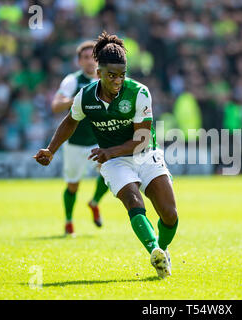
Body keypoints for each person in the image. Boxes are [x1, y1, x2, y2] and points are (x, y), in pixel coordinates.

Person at [34, 31, 178, 279]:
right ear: (98, 72)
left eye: (121, 75)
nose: (117, 81)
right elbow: (70, 121)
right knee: (134, 202)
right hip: (114, 161)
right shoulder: (85, 96)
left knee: (170, 214)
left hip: (144, 154)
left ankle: (162, 251)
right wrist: (51, 149)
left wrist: (109, 150)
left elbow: (142, 139)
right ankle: (153, 250)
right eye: (111, 75)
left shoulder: (139, 92)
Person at [51, 40, 109, 236]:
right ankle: (68, 221)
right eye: (85, 57)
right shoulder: (72, 81)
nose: (90, 61)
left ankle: (94, 203)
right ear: (79, 61)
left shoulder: (106, 80)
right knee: (73, 185)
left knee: (110, 175)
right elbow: (56, 106)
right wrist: (77, 99)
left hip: (98, 141)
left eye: (93, 56)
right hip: (75, 143)